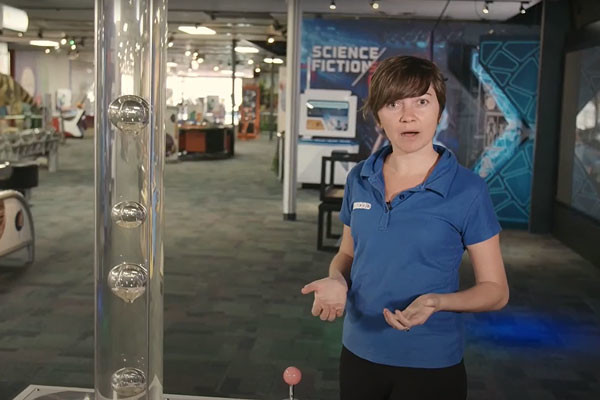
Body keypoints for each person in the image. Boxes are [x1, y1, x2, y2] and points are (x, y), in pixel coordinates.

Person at [301, 55, 509, 400]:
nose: (408, 115)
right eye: (393, 103)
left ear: (439, 111)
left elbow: (496, 290)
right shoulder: (360, 178)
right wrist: (337, 279)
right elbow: (348, 253)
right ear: (378, 115)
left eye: (422, 102)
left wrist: (437, 302)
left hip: (430, 361)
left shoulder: (468, 190)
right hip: (359, 350)